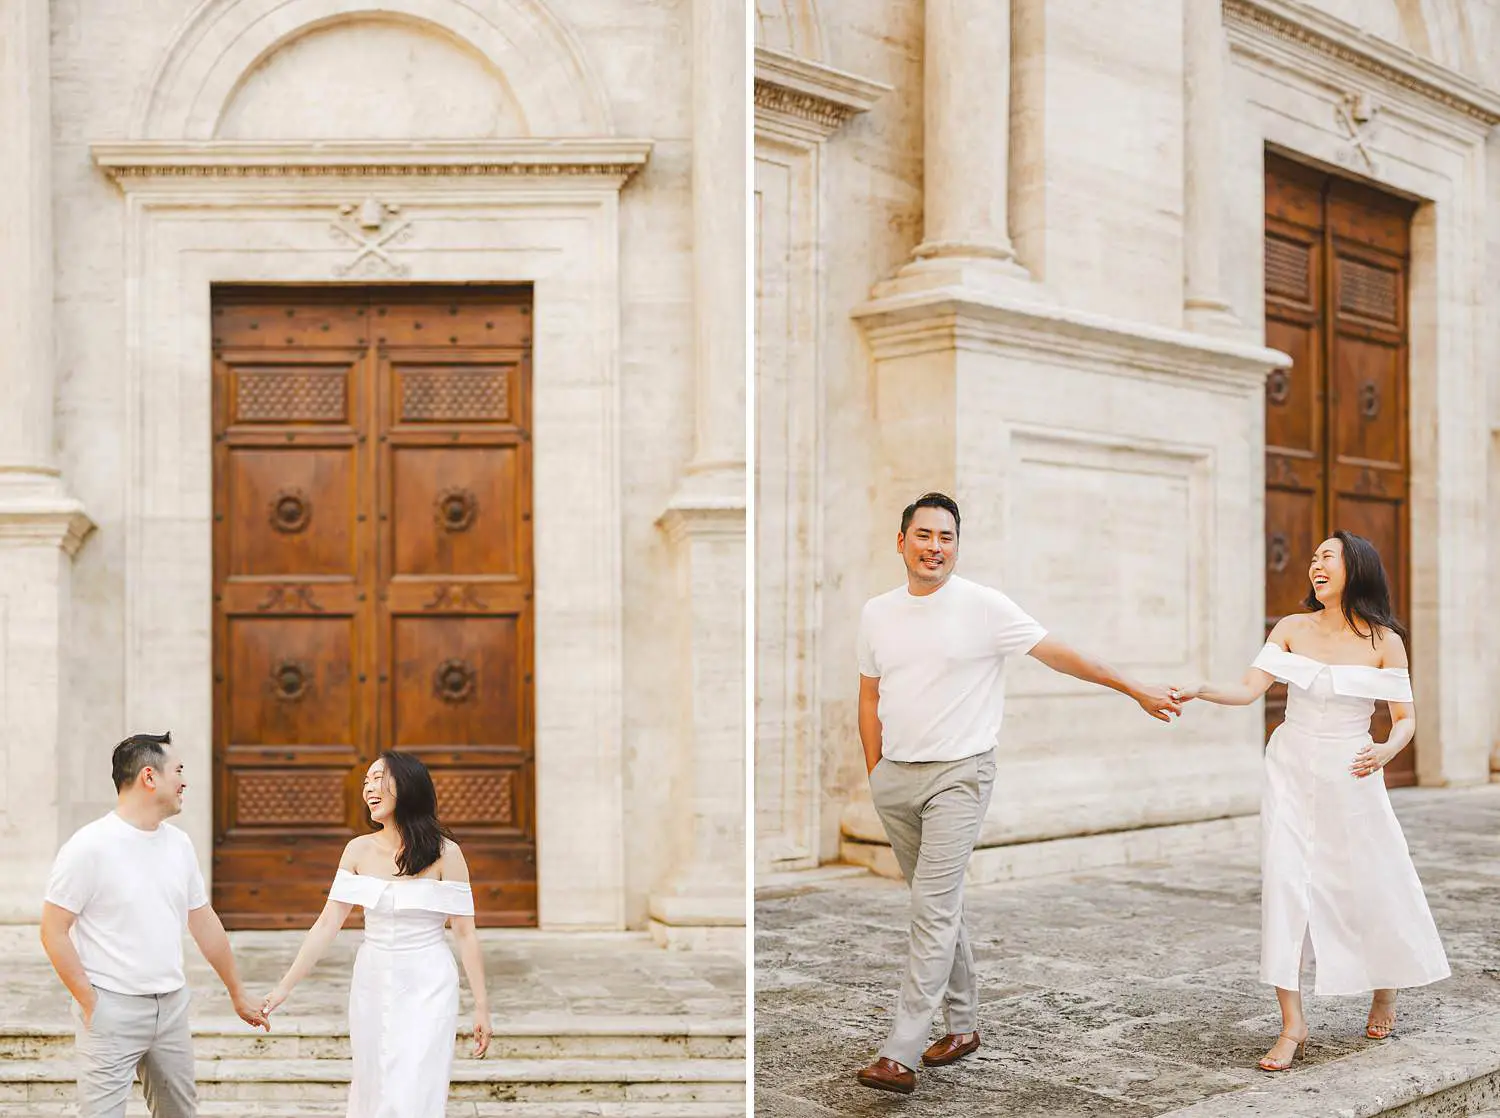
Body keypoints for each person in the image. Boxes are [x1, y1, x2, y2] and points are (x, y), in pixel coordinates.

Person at [853, 492, 1182, 1095]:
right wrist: (876, 772)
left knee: (930, 908)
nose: (935, 547)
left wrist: (1134, 687)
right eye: (924, 535)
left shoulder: (982, 606)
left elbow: (1063, 655)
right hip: (896, 779)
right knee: (939, 905)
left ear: (958, 544)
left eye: (946, 537)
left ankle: (899, 1053)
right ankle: (965, 1024)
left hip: (959, 775)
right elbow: (870, 694)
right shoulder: (878, 612)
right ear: (901, 542)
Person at [1171, 530, 1449, 1071]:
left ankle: (1385, 987)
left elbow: (1405, 720)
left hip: (1352, 767)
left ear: (1357, 568)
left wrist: (1385, 751)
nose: (1315, 565)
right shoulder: (1291, 628)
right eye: (1314, 558)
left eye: (1328, 557)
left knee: (1372, 878)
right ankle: (1292, 1024)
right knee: (1284, 882)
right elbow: (1250, 689)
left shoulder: (1385, 641)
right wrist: (1202, 688)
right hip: (1291, 765)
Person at [39, 731, 269, 1118]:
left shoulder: (178, 844)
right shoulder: (88, 847)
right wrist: (90, 1002)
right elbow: (52, 930)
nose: (184, 781)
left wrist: (237, 992)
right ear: (149, 777)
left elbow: (203, 922)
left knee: (179, 1113)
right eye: (177, 770)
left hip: (172, 1006)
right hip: (111, 1006)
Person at [261, 750, 491, 1117]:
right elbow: (326, 925)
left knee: (418, 1082)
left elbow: (465, 934)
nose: (368, 786)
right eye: (366, 780)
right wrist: (283, 988)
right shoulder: (357, 851)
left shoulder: (448, 854)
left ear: (408, 785)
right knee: (375, 1080)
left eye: (378, 777)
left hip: (428, 981)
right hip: (373, 979)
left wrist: (481, 1007)